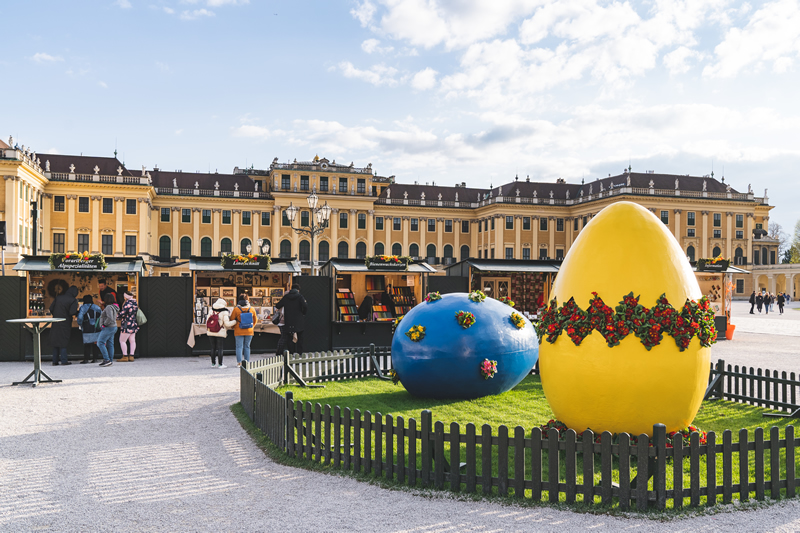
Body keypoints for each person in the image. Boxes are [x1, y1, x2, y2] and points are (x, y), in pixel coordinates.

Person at [275, 280, 308, 355]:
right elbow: (305, 306)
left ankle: (291, 352)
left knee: (290, 338)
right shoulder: (300, 297)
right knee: (300, 337)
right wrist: (303, 313)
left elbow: (278, 305)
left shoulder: (286, 297)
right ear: (298, 290)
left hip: (288, 320)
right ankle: (299, 353)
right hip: (299, 320)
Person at [49, 285, 79, 365]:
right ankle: (64, 360)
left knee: (55, 341)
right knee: (63, 342)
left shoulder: (58, 298)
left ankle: (54, 361)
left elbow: (51, 308)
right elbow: (72, 312)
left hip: (55, 321)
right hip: (65, 322)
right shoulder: (73, 300)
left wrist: (55, 314)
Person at [207, 297, 236, 368]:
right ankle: (220, 364)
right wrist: (235, 321)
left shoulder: (211, 310)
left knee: (213, 348)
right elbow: (227, 324)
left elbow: (207, 321)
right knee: (220, 348)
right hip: (220, 331)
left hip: (210, 331)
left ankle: (213, 364)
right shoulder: (225, 311)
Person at [231, 295, 258, 368]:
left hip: (238, 330)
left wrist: (233, 327)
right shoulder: (252, 309)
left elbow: (232, 319)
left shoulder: (236, 309)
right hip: (249, 330)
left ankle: (239, 363)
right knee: (247, 346)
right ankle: (247, 362)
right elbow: (255, 320)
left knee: (239, 347)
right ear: (248, 300)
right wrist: (252, 327)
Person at [76, 294, 102, 364]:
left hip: (87, 327)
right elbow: (101, 316)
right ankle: (95, 358)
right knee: (95, 343)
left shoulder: (83, 308)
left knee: (87, 344)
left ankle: (86, 359)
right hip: (96, 328)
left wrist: (80, 324)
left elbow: (80, 318)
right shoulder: (97, 307)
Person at [98, 293, 119, 367]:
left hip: (108, 327)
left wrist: (104, 324)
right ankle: (110, 360)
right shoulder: (114, 307)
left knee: (100, 342)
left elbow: (109, 317)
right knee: (110, 344)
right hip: (113, 327)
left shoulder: (108, 307)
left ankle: (106, 359)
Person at [118, 291, 139, 362]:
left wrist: (117, 316)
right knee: (132, 340)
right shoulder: (135, 303)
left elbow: (122, 313)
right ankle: (131, 356)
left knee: (122, 340)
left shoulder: (127, 304)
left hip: (127, 324)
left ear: (126, 297)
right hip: (133, 323)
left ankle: (125, 356)